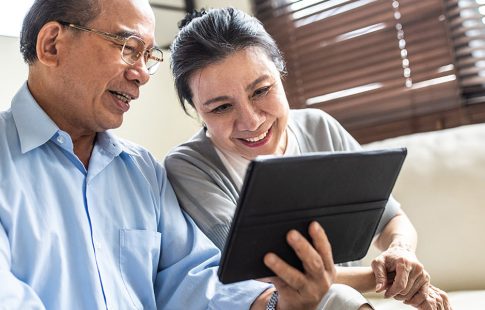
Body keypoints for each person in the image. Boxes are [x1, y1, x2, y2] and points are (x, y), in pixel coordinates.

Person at [0, 0, 343, 309]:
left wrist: (275, 305)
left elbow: (192, 280)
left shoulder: (143, 172)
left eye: (148, 56)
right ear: (52, 45)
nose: (143, 74)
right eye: (129, 48)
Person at [165, 7, 451, 310]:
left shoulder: (319, 127)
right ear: (197, 112)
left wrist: (402, 252)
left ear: (281, 73)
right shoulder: (189, 166)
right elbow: (259, 275)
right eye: (221, 108)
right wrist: (387, 278)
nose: (250, 121)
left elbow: (390, 218)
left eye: (261, 90)